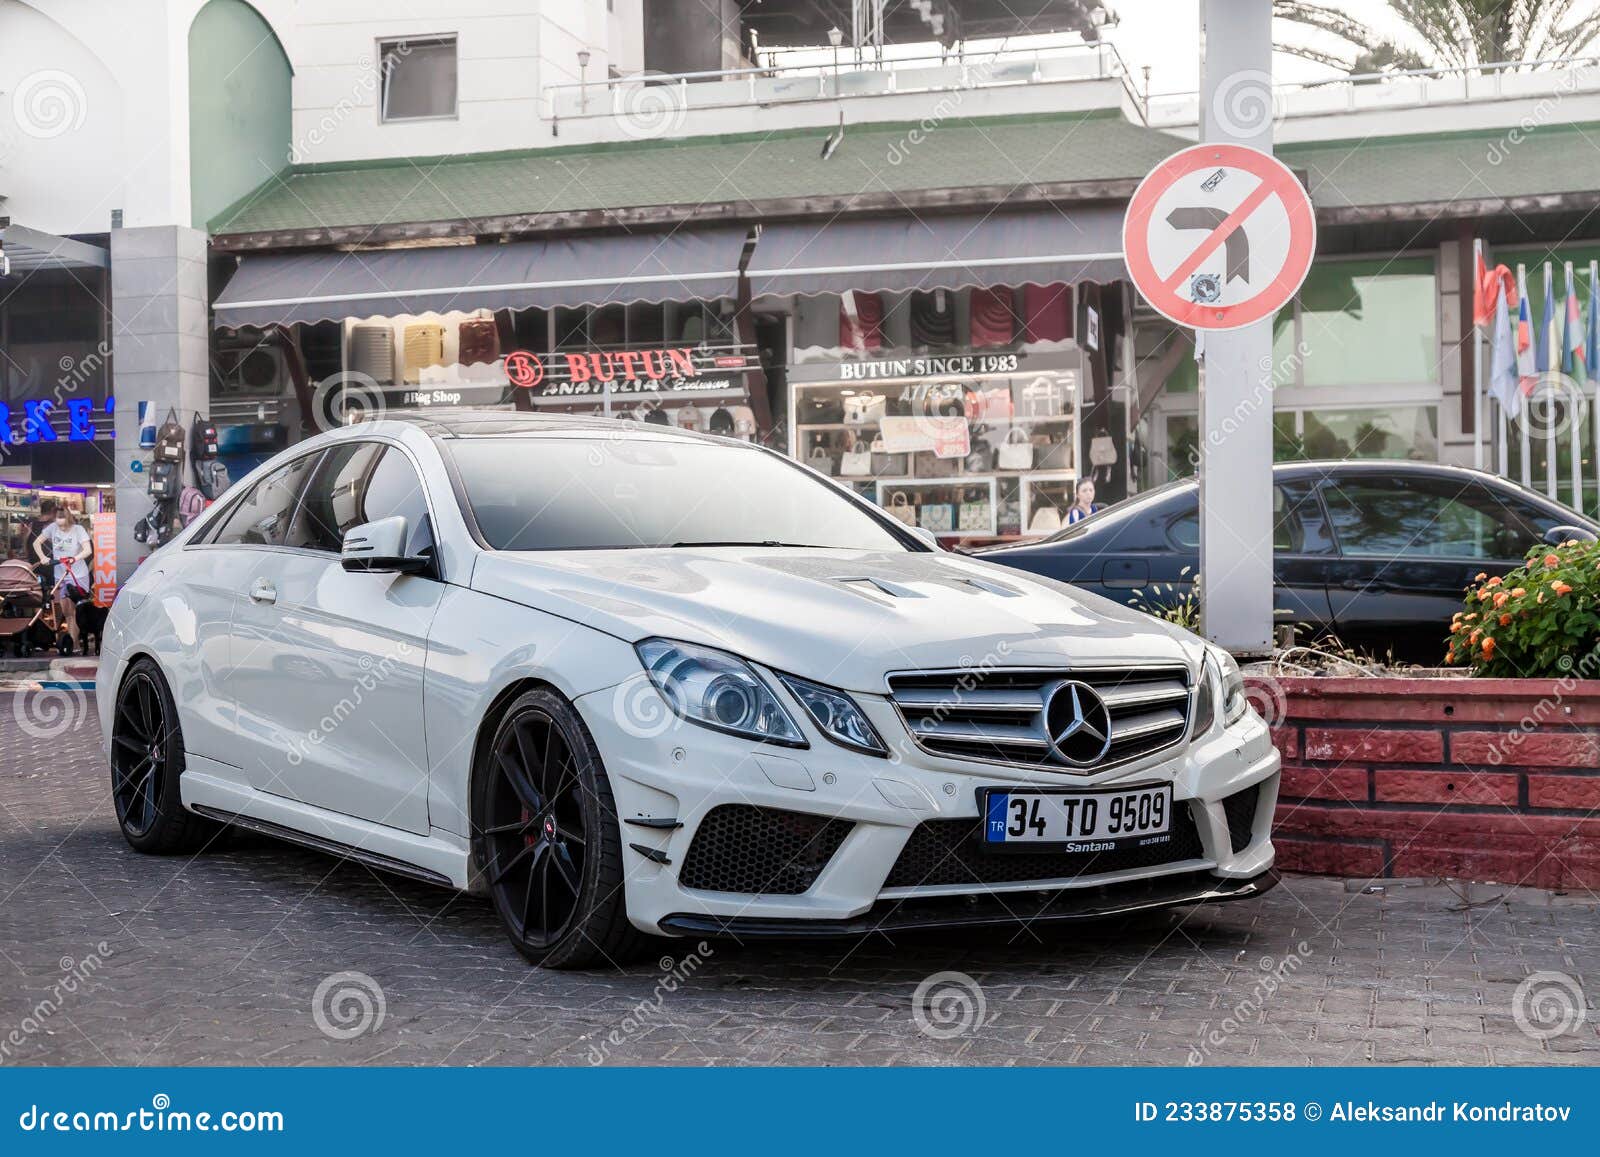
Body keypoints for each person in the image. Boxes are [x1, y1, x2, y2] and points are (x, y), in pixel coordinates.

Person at [33, 506, 92, 654]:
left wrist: (74, 559)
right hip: (60, 575)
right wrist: (43, 557)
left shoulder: (78, 529)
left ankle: (76, 645)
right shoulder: (52, 528)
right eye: (59, 525)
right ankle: (73, 644)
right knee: (68, 612)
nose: (62, 528)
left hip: (78, 575)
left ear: (69, 519)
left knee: (76, 612)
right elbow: (36, 543)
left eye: (64, 525)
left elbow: (88, 550)